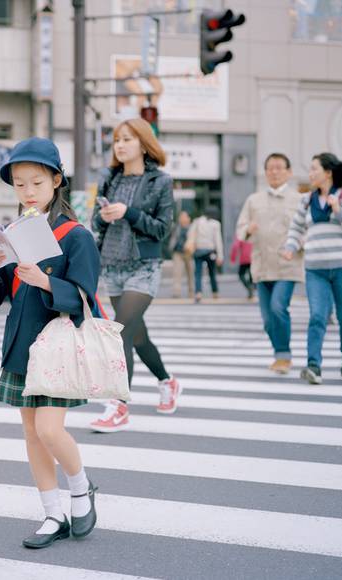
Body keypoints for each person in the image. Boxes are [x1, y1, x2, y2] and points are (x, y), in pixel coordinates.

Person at [0, 137, 99, 549]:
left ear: (56, 181)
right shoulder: (13, 233)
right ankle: (52, 513)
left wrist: (46, 281)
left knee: (48, 429)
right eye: (20, 184)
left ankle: (80, 488)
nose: (27, 191)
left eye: (36, 183)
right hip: (22, 344)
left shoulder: (76, 234)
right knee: (31, 432)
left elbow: (85, 299)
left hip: (57, 346)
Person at [89, 118, 180, 434]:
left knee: (120, 332)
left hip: (144, 267)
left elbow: (162, 229)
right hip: (112, 265)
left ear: (143, 143)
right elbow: (95, 224)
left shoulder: (160, 182)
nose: (120, 145)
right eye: (117, 140)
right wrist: (103, 218)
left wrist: (128, 213)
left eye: (127, 139)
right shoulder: (109, 179)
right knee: (137, 335)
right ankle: (167, 381)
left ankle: (118, 405)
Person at [282, 152, 342, 384]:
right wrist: (290, 247)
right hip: (315, 269)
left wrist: (339, 211)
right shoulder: (306, 200)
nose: (310, 174)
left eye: (314, 169)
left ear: (328, 173)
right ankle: (313, 365)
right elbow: (296, 228)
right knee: (317, 317)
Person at [236, 153, 304, 375]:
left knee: (278, 307)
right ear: (265, 172)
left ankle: (283, 355)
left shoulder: (300, 200)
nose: (274, 172)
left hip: (288, 266)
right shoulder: (254, 200)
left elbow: (309, 230)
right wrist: (248, 230)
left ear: (289, 172)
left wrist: (297, 245)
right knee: (267, 319)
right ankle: (279, 353)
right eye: (270, 168)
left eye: (279, 168)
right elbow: (240, 229)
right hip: (262, 266)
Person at [187, 206, 224, 302]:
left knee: (198, 273)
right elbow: (218, 240)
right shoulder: (216, 224)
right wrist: (220, 256)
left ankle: (198, 292)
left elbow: (190, 234)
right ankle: (215, 292)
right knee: (212, 273)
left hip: (198, 250)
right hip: (210, 251)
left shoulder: (197, 221)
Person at [169, 211, 194, 299]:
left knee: (191, 273)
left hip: (189, 253)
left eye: (184, 217)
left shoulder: (192, 228)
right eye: (181, 217)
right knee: (177, 273)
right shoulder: (176, 227)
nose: (182, 219)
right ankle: (176, 292)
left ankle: (191, 292)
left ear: (188, 218)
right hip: (178, 252)